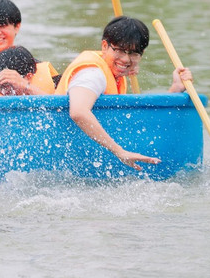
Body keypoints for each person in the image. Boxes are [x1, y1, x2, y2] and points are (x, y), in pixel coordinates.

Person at [55, 15, 191, 170]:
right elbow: (78, 112)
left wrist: (175, 89)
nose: (126, 59)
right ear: (104, 46)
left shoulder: (113, 71)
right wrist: (120, 152)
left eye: (133, 53)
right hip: (65, 152)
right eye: (120, 50)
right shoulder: (93, 74)